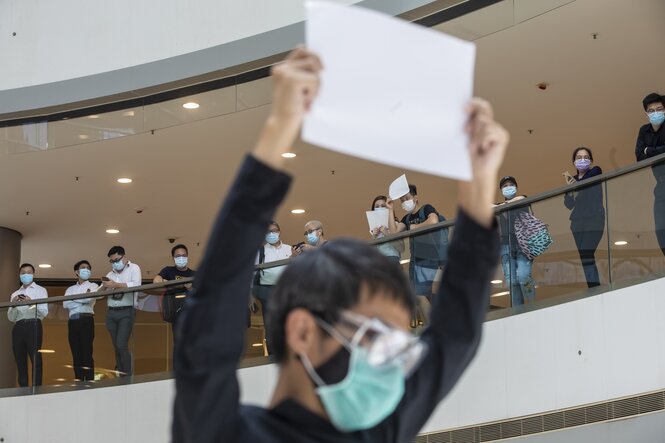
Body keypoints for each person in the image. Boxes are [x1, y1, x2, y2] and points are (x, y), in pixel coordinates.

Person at [172, 48, 508, 443]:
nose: (389, 369)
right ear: (303, 331)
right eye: (374, 337)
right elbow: (212, 316)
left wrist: (478, 180)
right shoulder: (222, 435)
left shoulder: (375, 432)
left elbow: (456, 333)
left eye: (396, 349)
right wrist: (280, 126)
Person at [387, 184, 447, 324]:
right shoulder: (406, 219)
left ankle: (434, 324)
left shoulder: (426, 208)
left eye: (407, 198)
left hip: (431, 257)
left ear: (415, 198)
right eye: (402, 200)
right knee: (420, 295)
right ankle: (431, 324)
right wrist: (390, 209)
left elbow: (434, 220)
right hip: (416, 260)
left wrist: (415, 227)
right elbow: (394, 232)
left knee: (422, 294)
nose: (404, 202)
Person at [564, 147, 605, 288]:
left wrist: (575, 186)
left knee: (587, 252)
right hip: (577, 221)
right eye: (579, 157)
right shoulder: (572, 180)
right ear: (574, 161)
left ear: (591, 160)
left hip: (594, 218)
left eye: (586, 157)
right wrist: (570, 191)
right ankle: (593, 287)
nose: (582, 160)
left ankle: (595, 287)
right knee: (584, 256)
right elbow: (568, 204)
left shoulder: (595, 171)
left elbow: (589, 180)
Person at [251, 221, 292, 354]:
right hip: (267, 292)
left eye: (275, 230)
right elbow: (252, 274)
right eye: (268, 231)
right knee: (272, 325)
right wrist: (250, 295)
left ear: (279, 232)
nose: (272, 234)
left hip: (287, 291)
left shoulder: (289, 249)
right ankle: (274, 357)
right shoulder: (260, 251)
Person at [494, 176, 536, 306]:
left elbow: (522, 198)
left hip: (523, 245)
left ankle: (532, 305)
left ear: (516, 187)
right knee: (511, 281)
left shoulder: (521, 199)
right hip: (506, 246)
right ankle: (518, 311)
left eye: (511, 184)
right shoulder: (498, 207)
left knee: (523, 275)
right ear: (501, 190)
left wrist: (501, 205)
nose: (508, 187)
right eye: (505, 186)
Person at [102, 246, 142, 376]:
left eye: (117, 260)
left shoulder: (134, 268)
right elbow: (101, 292)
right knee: (116, 347)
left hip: (127, 311)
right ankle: (120, 375)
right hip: (111, 312)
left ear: (124, 257)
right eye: (112, 261)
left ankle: (127, 376)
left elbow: (136, 285)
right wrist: (103, 287)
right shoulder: (110, 274)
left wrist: (116, 285)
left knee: (121, 344)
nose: (115, 263)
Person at [7, 263, 48, 387]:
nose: (26, 275)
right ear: (19, 275)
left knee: (36, 358)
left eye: (29, 272)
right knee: (20, 360)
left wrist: (31, 302)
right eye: (23, 272)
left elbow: (44, 312)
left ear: (33, 274)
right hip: (18, 327)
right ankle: (23, 390)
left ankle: (37, 389)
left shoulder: (41, 290)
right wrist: (13, 305)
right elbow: (11, 317)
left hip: (33, 325)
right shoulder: (14, 294)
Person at [635, 93, 665, 256]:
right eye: (651, 110)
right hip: (660, 184)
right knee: (660, 229)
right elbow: (639, 156)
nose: (655, 112)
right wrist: (656, 150)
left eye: (659, 109)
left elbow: (647, 152)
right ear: (646, 113)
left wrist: (649, 150)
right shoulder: (643, 131)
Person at [63, 260, 98, 381]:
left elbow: (89, 300)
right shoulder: (70, 288)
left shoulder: (93, 286)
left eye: (88, 268)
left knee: (87, 352)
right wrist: (83, 297)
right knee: (76, 353)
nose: (86, 270)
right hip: (72, 321)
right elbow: (65, 304)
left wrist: (74, 299)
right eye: (83, 268)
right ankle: (78, 380)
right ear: (77, 272)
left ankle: (89, 381)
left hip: (86, 320)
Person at [154, 244, 196, 342]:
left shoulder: (194, 274)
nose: (181, 258)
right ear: (173, 258)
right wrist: (164, 281)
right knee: (178, 341)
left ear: (187, 256)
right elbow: (156, 280)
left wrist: (190, 288)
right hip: (175, 310)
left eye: (184, 255)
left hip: (192, 313)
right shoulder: (168, 270)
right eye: (178, 256)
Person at [369, 195, 404, 265]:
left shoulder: (395, 224)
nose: (380, 208)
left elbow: (401, 248)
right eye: (377, 206)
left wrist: (387, 234)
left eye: (383, 205)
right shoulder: (373, 227)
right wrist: (374, 237)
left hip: (392, 259)